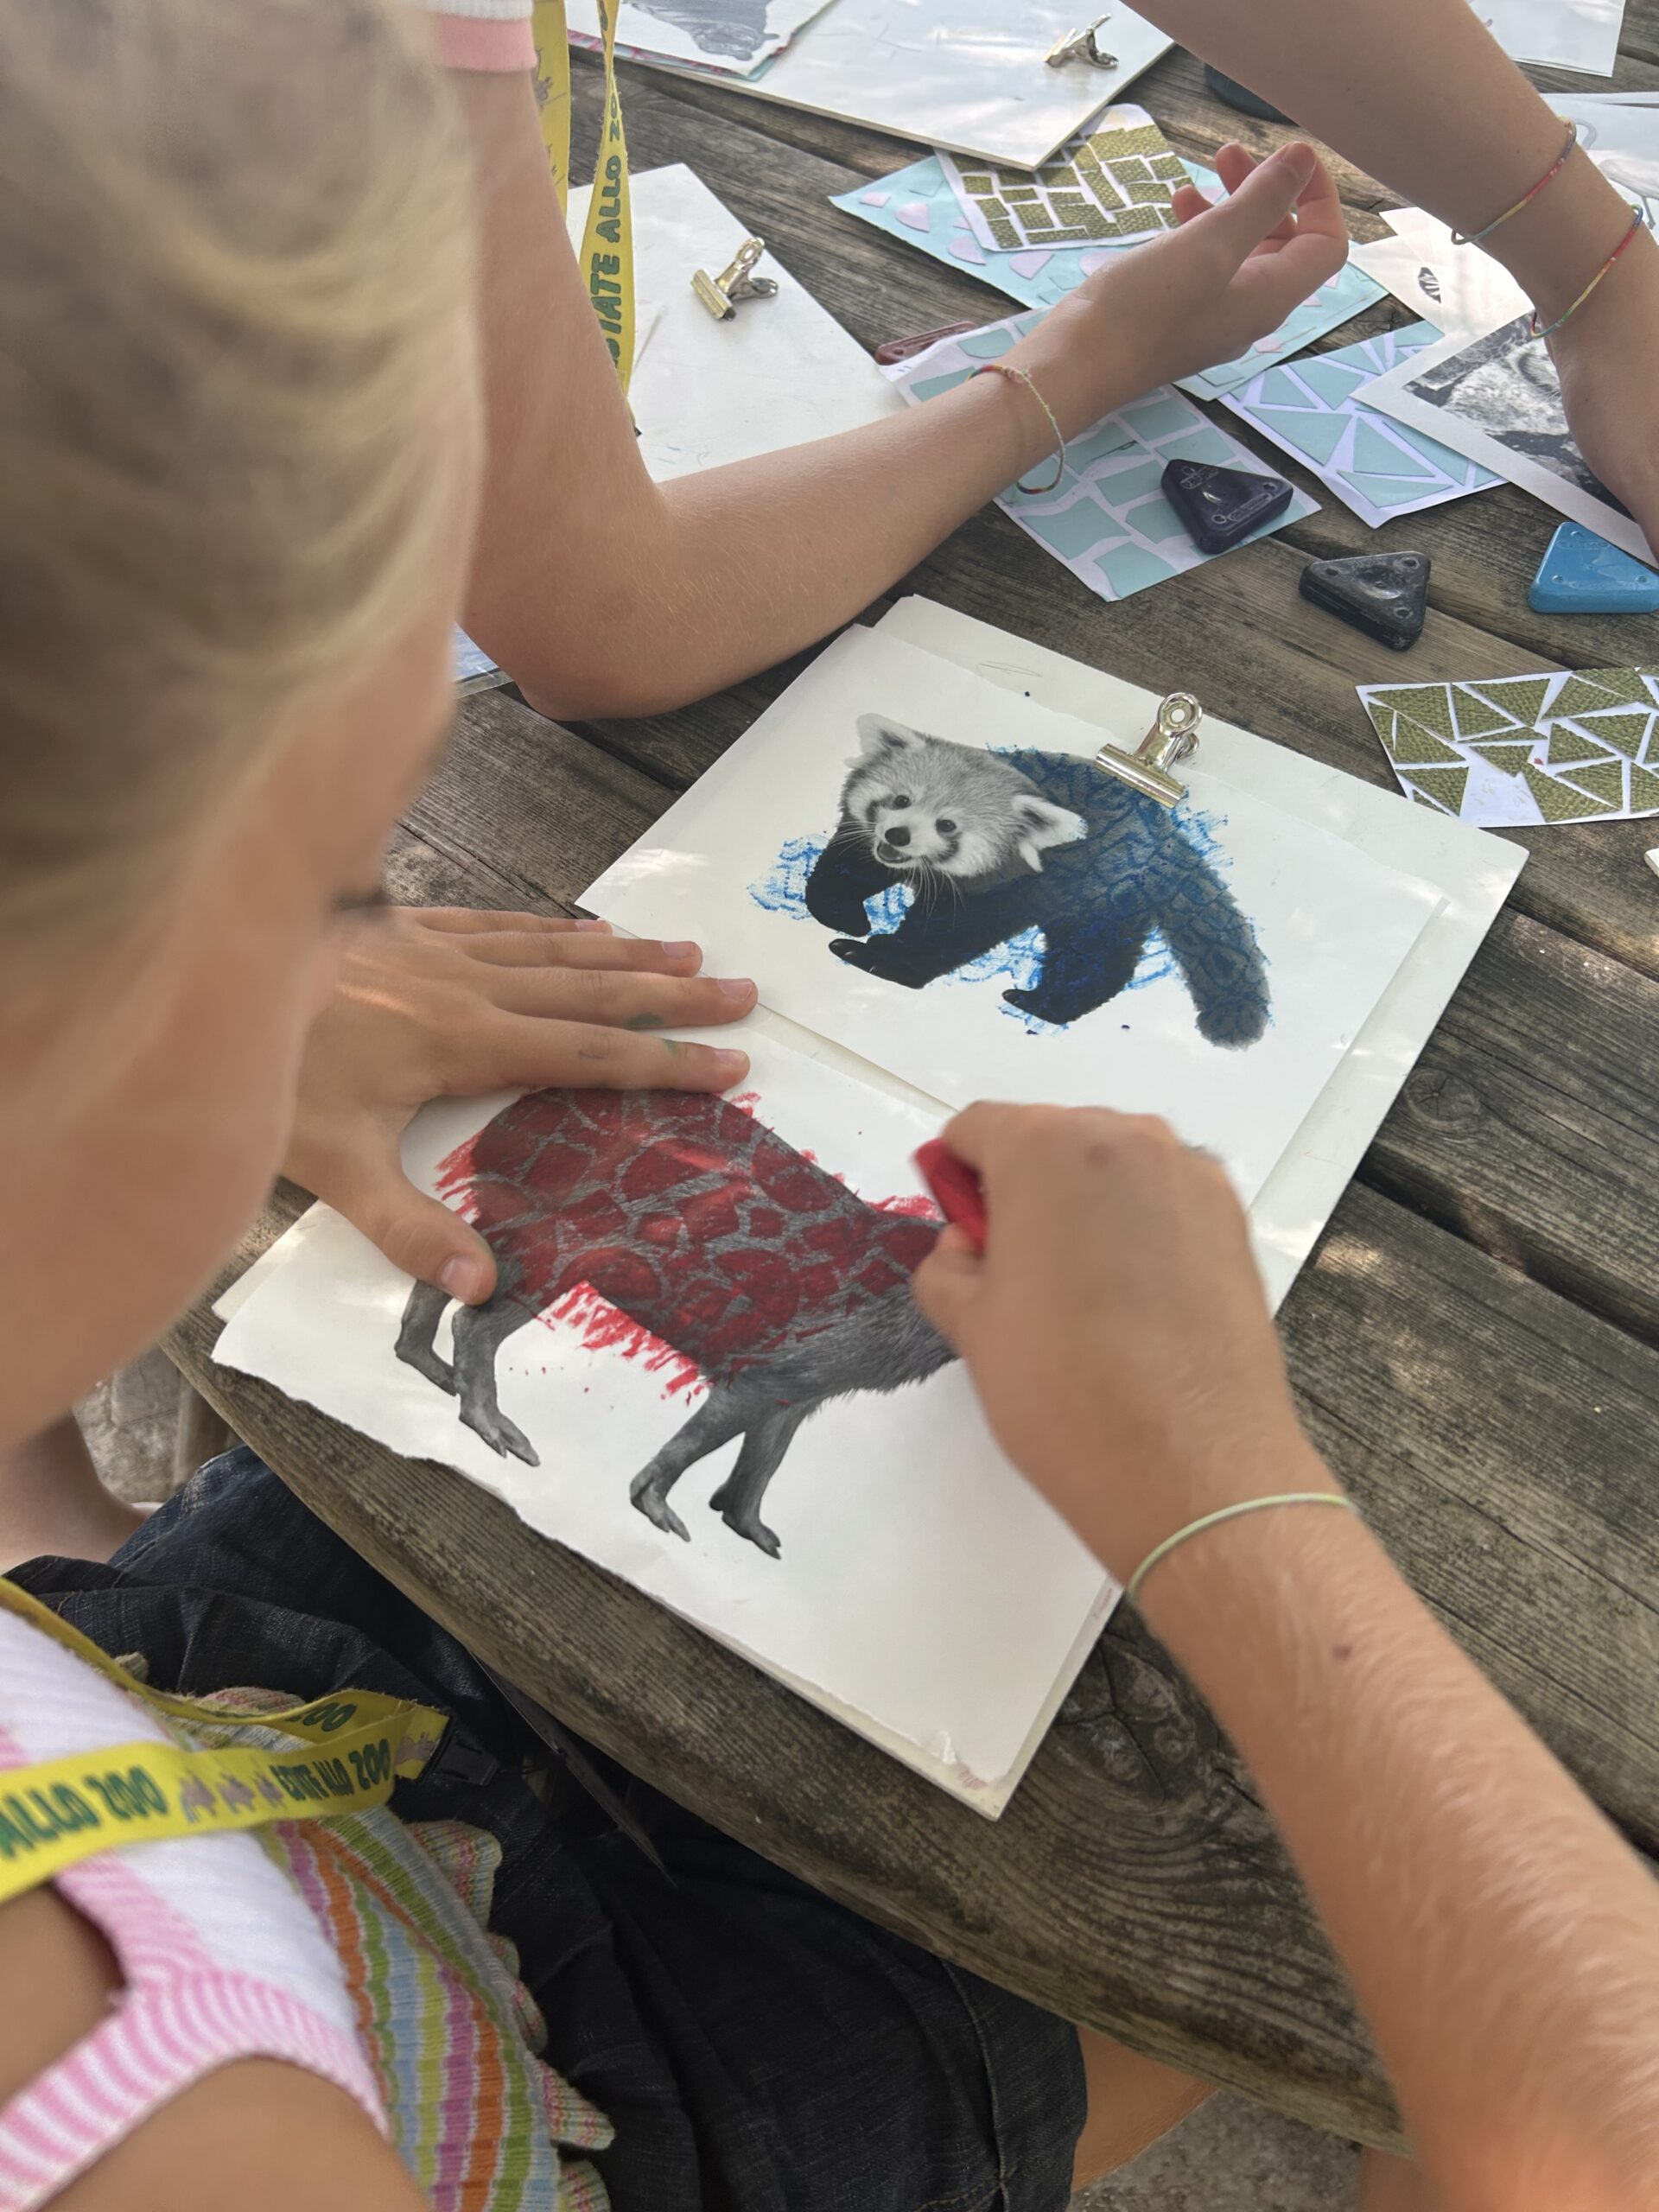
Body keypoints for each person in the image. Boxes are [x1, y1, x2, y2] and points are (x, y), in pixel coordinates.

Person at [3, 8, 1658, 2212]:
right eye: (332, 889)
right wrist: (1224, 1491)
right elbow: (1601, 2123)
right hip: (612, 2074)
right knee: (1324, 1925)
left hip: (191, 1719)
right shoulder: (175, 2137)